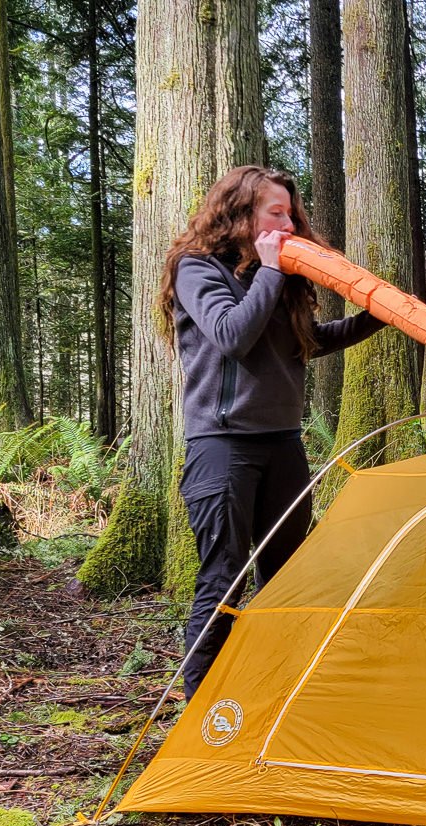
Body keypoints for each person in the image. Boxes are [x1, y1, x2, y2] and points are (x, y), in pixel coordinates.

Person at [161, 165, 381, 698]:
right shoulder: (198, 269)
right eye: (275, 213)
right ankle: (201, 709)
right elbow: (233, 335)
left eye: (291, 213)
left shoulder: (275, 280)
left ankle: (270, 694)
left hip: (283, 445)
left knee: (285, 575)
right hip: (223, 447)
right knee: (224, 581)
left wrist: (379, 315)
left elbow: (304, 342)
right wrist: (270, 271)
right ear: (240, 215)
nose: (288, 223)